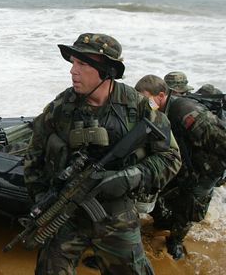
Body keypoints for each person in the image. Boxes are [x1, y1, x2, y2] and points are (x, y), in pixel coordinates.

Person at [24, 33, 181, 275]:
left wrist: (132, 176)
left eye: (83, 64)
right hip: (67, 212)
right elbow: (34, 155)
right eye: (73, 63)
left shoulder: (138, 107)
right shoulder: (60, 108)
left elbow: (171, 158)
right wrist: (43, 198)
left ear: (106, 70)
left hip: (117, 214)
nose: (73, 71)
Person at [135, 75, 226, 260]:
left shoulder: (188, 112)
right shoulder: (159, 112)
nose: (143, 104)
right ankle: (164, 223)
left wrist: (212, 174)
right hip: (187, 163)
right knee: (163, 197)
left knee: (189, 208)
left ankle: (175, 242)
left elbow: (222, 141)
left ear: (161, 95)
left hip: (207, 169)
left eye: (145, 99)